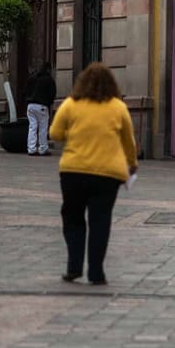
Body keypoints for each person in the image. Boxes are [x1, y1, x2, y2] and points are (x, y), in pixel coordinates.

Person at [49, 63, 138, 285]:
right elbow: (129, 141)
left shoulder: (71, 104)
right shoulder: (118, 107)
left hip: (74, 170)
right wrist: (132, 164)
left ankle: (74, 267)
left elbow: (55, 133)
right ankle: (96, 272)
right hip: (108, 174)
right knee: (100, 220)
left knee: (73, 217)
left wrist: (75, 133)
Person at [25, 61, 57, 156]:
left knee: (32, 127)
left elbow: (25, 90)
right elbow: (52, 93)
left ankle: (31, 149)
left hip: (30, 105)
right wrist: (49, 103)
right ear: (49, 69)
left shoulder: (33, 77)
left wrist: (27, 99)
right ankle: (43, 148)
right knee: (43, 128)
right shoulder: (49, 79)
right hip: (42, 106)